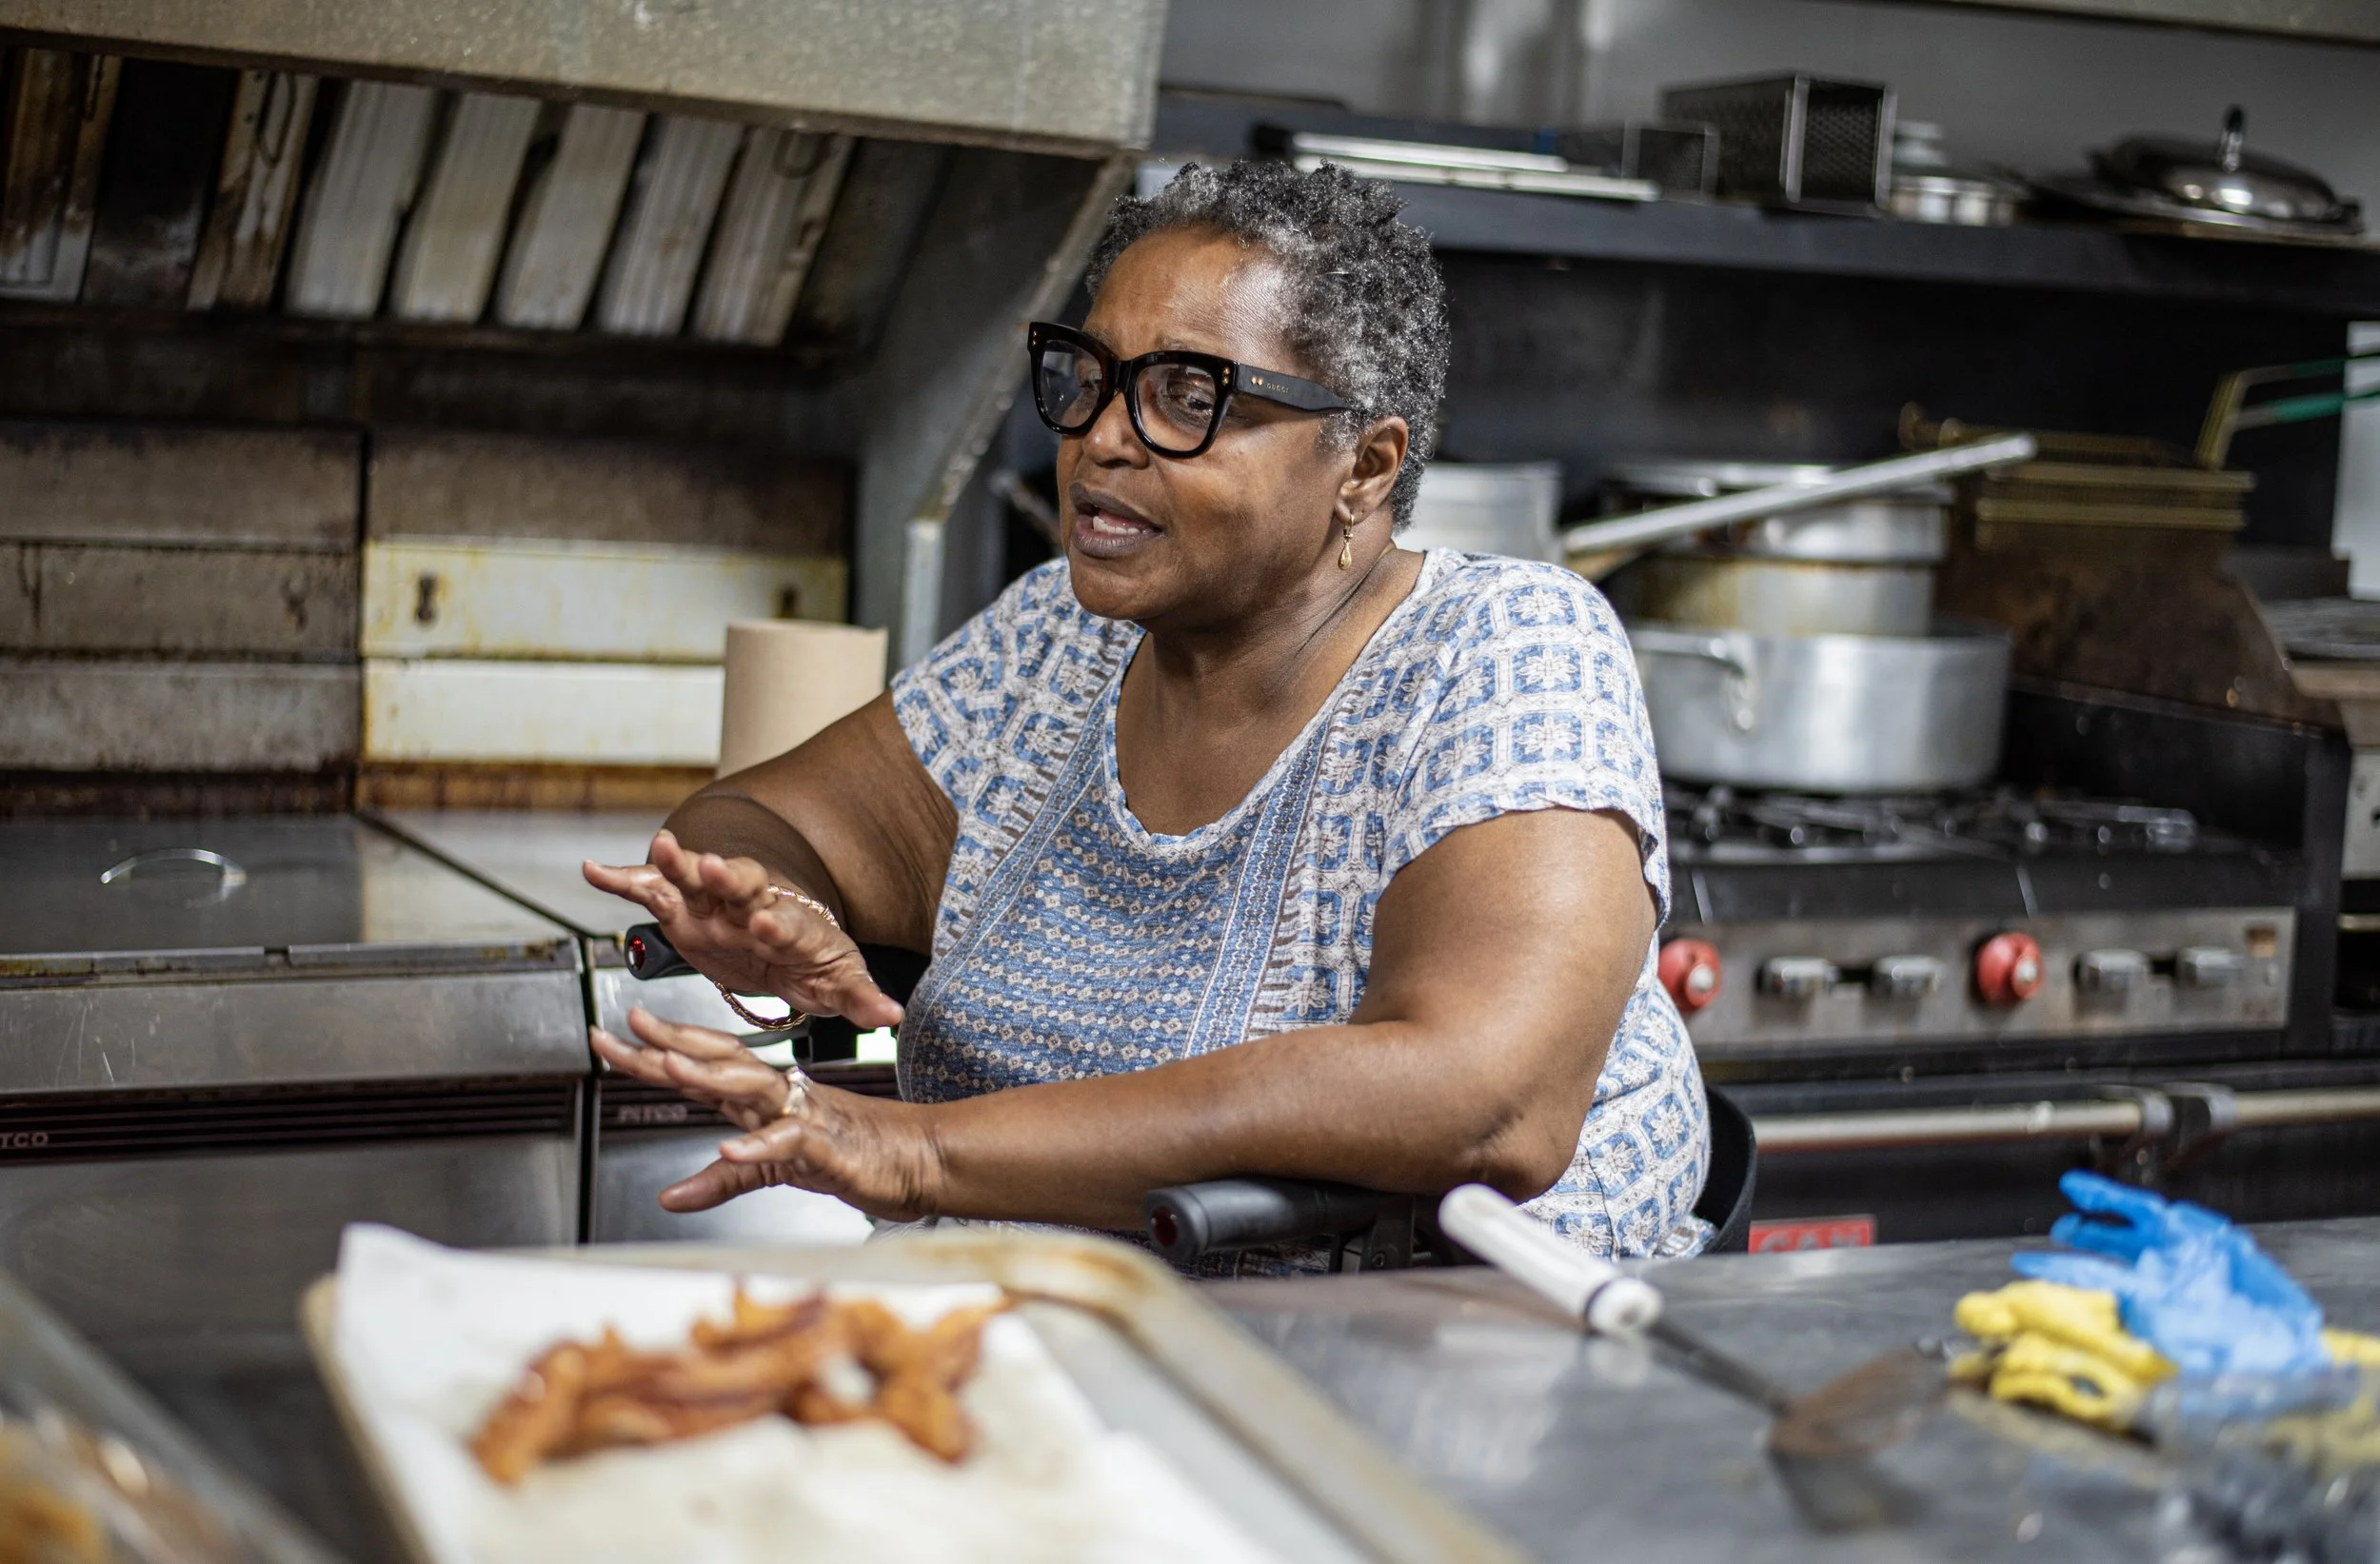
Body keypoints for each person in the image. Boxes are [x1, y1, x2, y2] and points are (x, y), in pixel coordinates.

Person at [585, 159, 1710, 1268]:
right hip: (1036, 1302)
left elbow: (1485, 1102)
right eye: (1090, 377)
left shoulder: (1500, 645)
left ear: (1363, 465)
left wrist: (919, 1150)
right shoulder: (1056, 642)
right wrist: (769, 901)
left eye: (1188, 395)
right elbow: (763, 820)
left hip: (1442, 1347)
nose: (1102, 437)